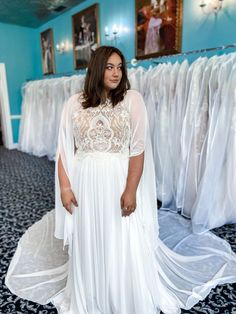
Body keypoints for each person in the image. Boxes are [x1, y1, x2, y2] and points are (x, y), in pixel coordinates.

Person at [5, 46, 236, 314]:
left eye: (120, 67)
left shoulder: (132, 99)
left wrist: (131, 190)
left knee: (120, 235)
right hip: (85, 182)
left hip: (117, 178)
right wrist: (65, 188)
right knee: (89, 236)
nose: (116, 73)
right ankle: (91, 292)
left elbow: (137, 150)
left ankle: (122, 293)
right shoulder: (73, 103)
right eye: (109, 67)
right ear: (96, 69)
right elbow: (64, 151)